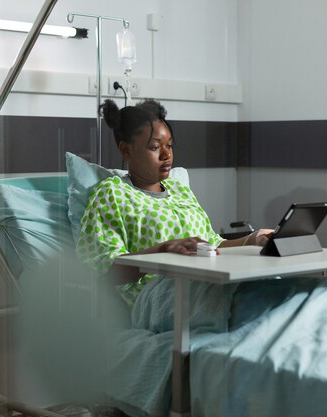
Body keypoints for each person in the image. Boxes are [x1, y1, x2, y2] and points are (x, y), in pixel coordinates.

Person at [76, 98, 273, 305]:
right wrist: (163, 250)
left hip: (207, 282)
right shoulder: (112, 194)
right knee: (268, 303)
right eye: (154, 147)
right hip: (159, 297)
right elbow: (102, 270)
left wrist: (253, 239)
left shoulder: (180, 190)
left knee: (295, 293)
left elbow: (211, 244)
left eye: (169, 145)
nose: (166, 155)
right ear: (126, 151)